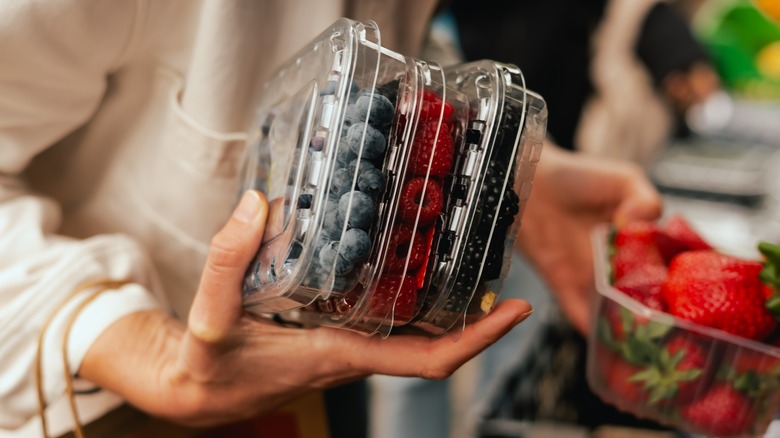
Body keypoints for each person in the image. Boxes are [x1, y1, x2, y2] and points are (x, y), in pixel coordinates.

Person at [0, 1, 661, 437]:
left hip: (307, 370)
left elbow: (367, 75)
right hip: (98, 402)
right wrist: (145, 348)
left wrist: (494, 181)